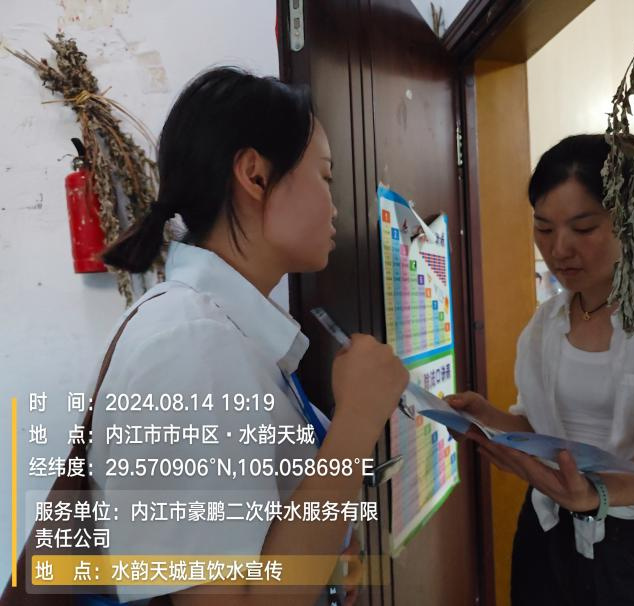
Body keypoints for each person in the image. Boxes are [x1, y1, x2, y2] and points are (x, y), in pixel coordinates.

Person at [85, 67, 409, 606]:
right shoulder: (190, 345)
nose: (334, 207)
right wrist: (357, 422)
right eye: (325, 177)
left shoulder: (226, 333)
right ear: (255, 175)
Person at [447, 134, 634, 605]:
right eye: (543, 228)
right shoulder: (546, 321)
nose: (559, 250)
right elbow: (543, 433)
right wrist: (487, 420)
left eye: (583, 227)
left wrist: (597, 494)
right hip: (548, 526)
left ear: (628, 219)